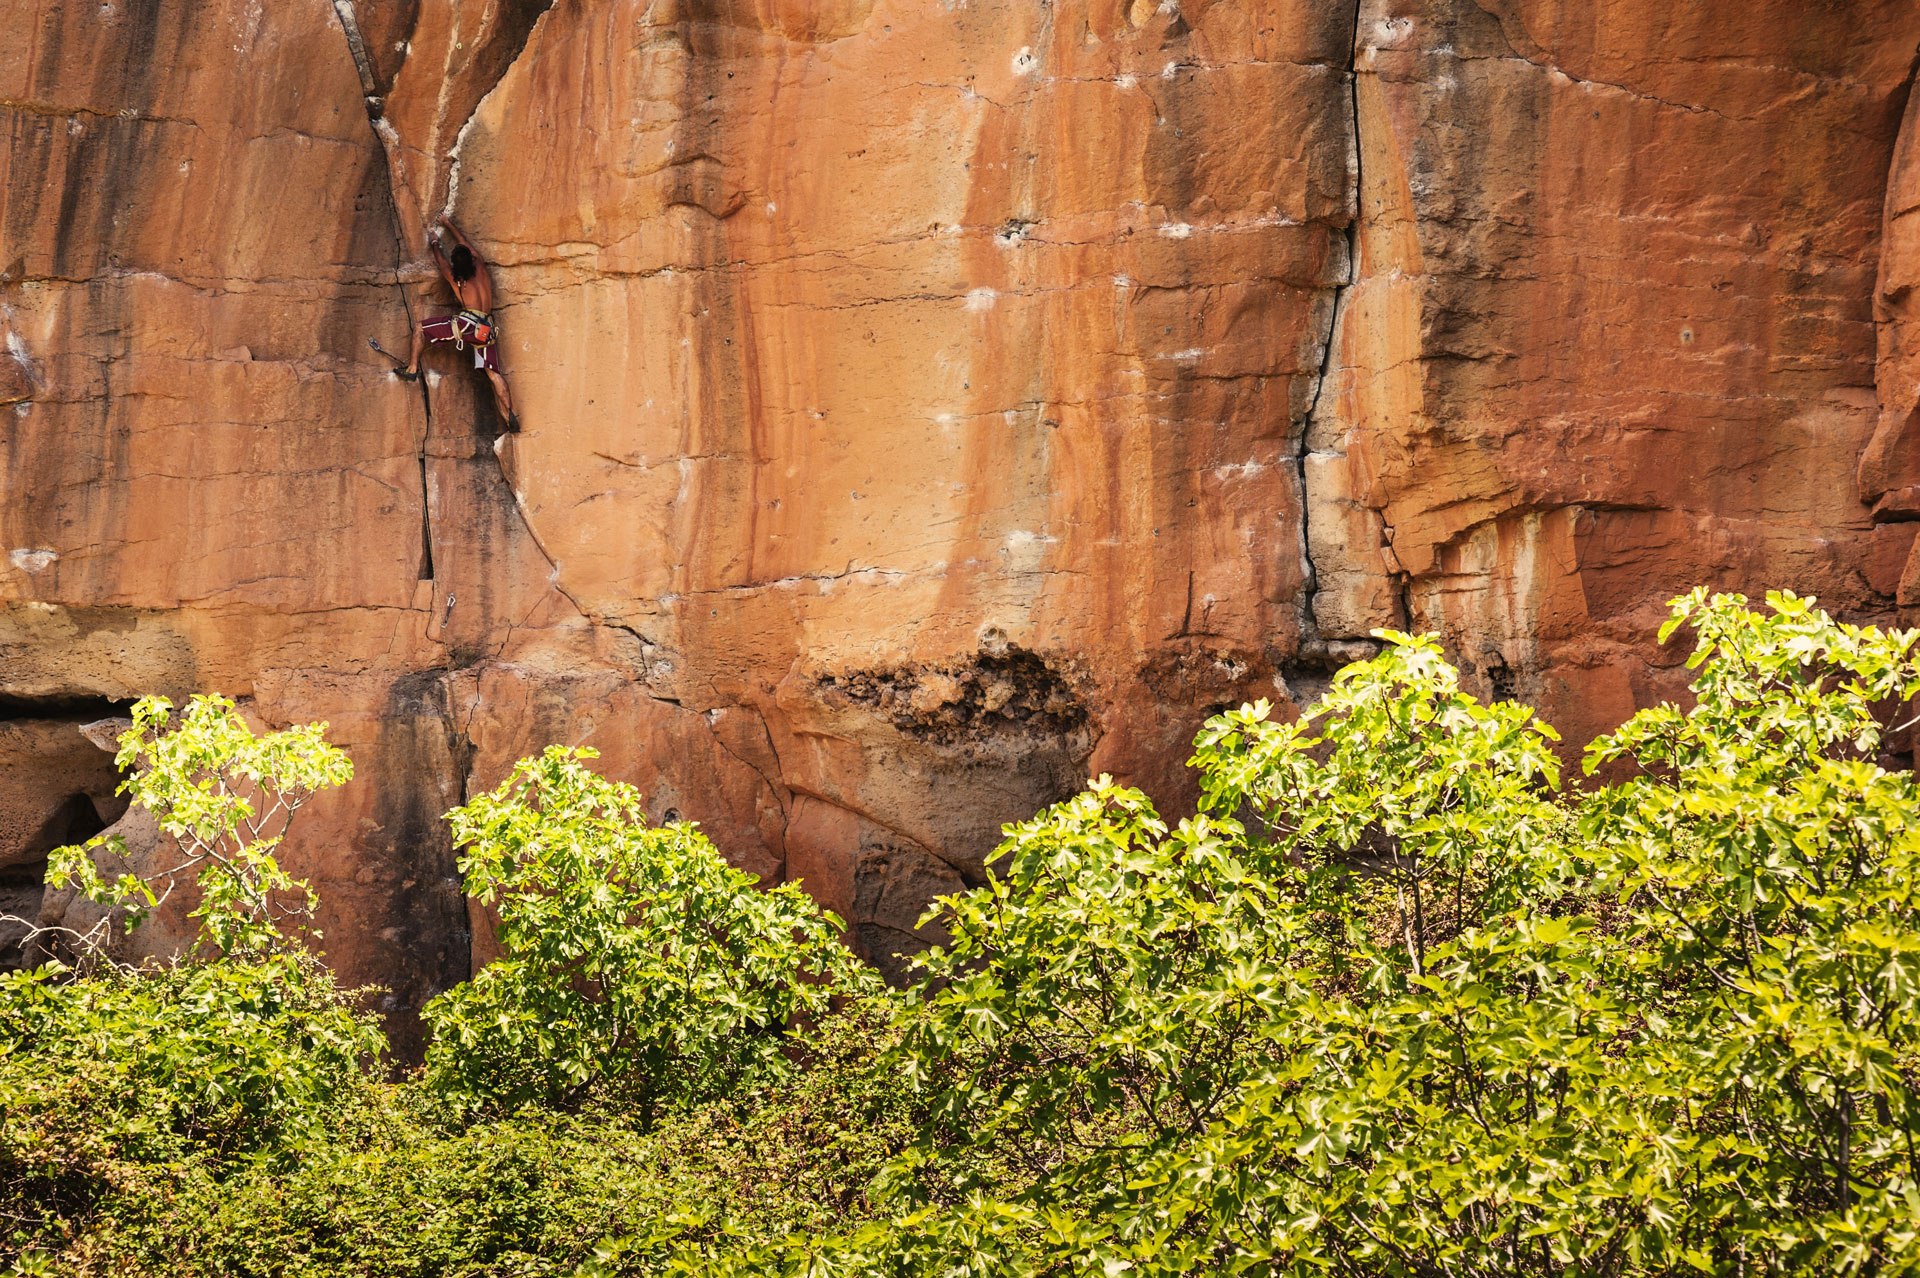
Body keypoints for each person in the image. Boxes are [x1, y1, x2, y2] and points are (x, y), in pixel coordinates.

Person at [394, 215, 519, 433]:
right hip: (485, 329)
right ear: (471, 259)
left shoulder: (456, 279)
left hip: (466, 326)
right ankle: (510, 414)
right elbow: (465, 245)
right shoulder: (480, 266)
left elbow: (441, 261)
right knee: (493, 373)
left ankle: (412, 367)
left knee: (421, 328)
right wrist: (448, 224)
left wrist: (434, 242)